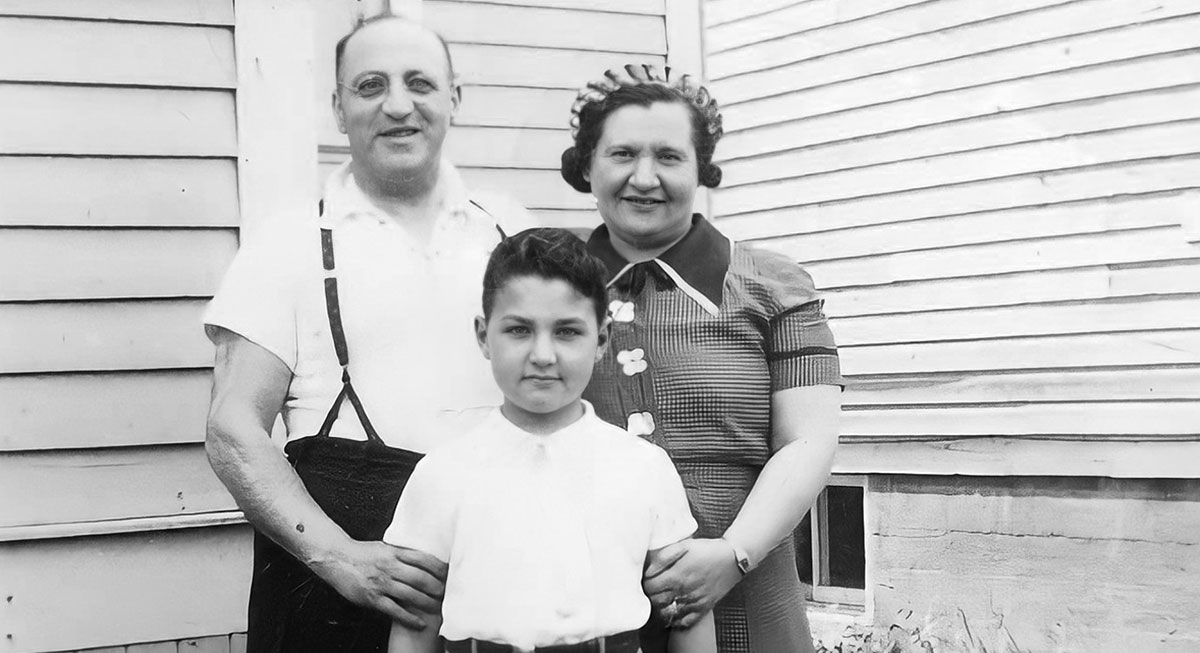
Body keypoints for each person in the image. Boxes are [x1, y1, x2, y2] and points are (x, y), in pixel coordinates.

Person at [203, 14, 532, 653]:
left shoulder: (507, 231)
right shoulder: (290, 242)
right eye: (371, 85)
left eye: (420, 83)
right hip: (343, 588)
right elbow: (232, 428)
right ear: (338, 108)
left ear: (455, 99)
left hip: (497, 574)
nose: (398, 105)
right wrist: (340, 558)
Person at [560, 65, 844, 652]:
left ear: (700, 169)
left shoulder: (772, 286)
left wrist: (732, 554)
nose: (644, 177)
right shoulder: (550, 290)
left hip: (747, 595)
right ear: (587, 166)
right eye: (622, 154)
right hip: (590, 608)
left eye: (669, 156)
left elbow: (808, 441)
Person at [383, 228, 716, 653]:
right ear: (483, 335)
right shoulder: (441, 473)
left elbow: (686, 610)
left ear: (602, 339)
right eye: (519, 330)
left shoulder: (644, 467)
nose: (542, 355)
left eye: (567, 332)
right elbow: (414, 627)